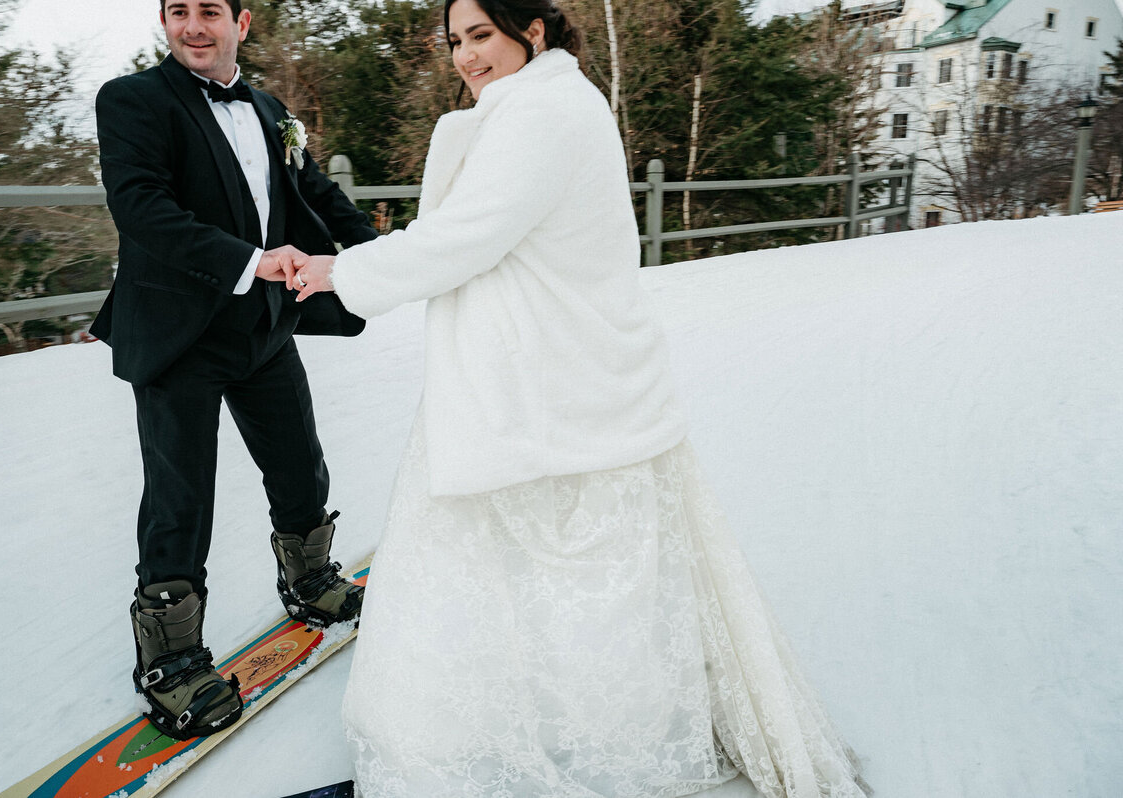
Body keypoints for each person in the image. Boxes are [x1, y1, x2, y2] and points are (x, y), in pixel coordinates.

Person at [291, 0, 871, 795]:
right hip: (538, 383)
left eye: (482, 36)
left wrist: (338, 271)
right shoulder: (542, 106)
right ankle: (511, 742)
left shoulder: (544, 114)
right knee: (538, 582)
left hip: (547, 392)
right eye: (455, 41)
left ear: (532, 30)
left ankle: (493, 760)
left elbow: (465, 236)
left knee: (548, 584)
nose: (465, 56)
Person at [92, 0, 374, 740]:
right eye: (177, 11)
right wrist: (251, 262)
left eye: (209, 11)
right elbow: (140, 206)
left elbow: (313, 193)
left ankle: (310, 580)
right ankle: (172, 660)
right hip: (177, 336)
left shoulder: (270, 106)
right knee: (180, 498)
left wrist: (382, 260)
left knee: (299, 465)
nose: (193, 26)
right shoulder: (131, 100)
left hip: (265, 328)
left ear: (241, 22)